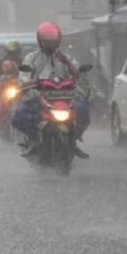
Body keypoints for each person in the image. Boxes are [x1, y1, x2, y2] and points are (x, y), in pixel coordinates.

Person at [12, 22, 90, 159]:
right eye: (47, 42)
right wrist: (30, 83)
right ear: (40, 41)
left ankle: (74, 140)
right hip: (40, 97)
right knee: (21, 114)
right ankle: (34, 141)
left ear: (59, 41)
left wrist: (67, 62)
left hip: (66, 97)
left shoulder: (66, 57)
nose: (50, 46)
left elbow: (77, 75)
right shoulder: (31, 58)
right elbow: (24, 77)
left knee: (83, 109)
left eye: (53, 42)